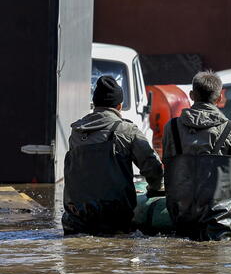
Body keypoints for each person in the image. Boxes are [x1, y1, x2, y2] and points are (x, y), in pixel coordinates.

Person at [63, 76, 164, 235]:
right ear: (119, 106)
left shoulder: (76, 133)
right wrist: (156, 188)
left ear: (94, 104)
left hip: (76, 220)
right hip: (113, 220)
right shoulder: (126, 130)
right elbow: (153, 167)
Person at [162, 71, 231, 241]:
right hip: (218, 216)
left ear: (191, 95)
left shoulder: (172, 127)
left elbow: (167, 164)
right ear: (220, 98)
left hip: (180, 211)